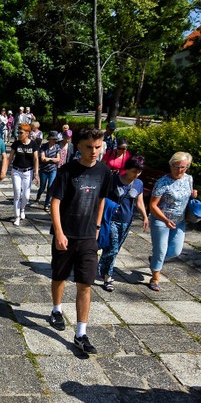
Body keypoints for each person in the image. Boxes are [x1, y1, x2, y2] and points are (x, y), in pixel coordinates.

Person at [48, 128, 112, 354]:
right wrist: (59, 232)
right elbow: (55, 203)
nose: (94, 151)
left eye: (98, 147)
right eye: (89, 147)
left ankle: (81, 333)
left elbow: (101, 200)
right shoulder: (67, 171)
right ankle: (56, 309)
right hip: (66, 233)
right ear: (78, 146)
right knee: (59, 276)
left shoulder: (104, 171)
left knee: (86, 284)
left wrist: (96, 228)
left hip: (87, 237)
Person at [97, 156, 149, 291]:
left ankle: (101, 267)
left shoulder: (138, 183)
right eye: (133, 171)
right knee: (113, 248)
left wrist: (145, 216)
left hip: (127, 220)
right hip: (112, 219)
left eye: (139, 172)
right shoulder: (114, 180)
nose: (136, 174)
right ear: (126, 169)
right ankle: (108, 276)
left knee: (114, 249)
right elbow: (102, 198)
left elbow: (139, 201)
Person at [148, 152, 197, 291]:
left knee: (175, 251)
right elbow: (152, 205)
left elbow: (187, 194)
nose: (179, 170)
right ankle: (155, 278)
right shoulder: (162, 182)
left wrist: (193, 194)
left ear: (187, 167)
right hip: (161, 220)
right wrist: (165, 219)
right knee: (161, 250)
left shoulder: (188, 179)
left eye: (183, 167)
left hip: (179, 221)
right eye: (176, 166)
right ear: (171, 165)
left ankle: (155, 260)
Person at [6, 123, 40, 226]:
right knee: (17, 194)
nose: (19, 134)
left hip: (28, 172)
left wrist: (36, 173)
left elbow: (35, 159)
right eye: (18, 132)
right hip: (16, 171)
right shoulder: (16, 144)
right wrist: (4, 170)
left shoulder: (33, 144)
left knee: (26, 195)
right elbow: (10, 158)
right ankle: (17, 216)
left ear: (27, 133)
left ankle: (22, 209)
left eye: (21, 132)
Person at [36, 131, 61, 212]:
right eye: (52, 139)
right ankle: (38, 195)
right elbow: (43, 159)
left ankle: (46, 204)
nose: (54, 141)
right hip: (43, 169)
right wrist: (51, 159)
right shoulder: (43, 146)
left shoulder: (57, 147)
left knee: (50, 186)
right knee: (42, 186)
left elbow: (58, 159)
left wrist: (49, 159)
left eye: (55, 139)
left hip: (53, 169)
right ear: (49, 139)